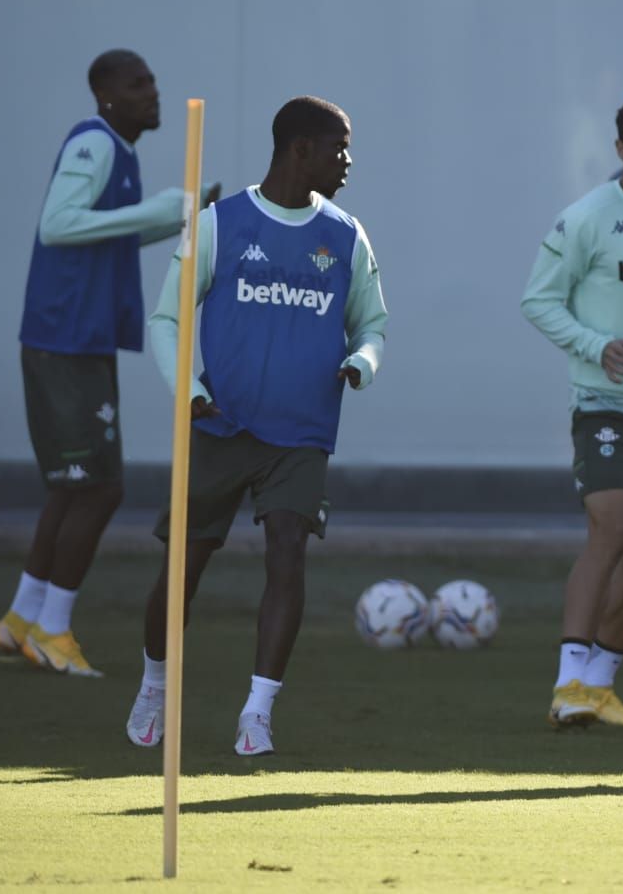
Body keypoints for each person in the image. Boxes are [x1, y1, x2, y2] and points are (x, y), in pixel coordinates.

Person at [125, 97, 387, 758]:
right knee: (182, 567)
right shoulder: (220, 224)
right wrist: (187, 391)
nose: (349, 162)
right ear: (300, 149)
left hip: (300, 434)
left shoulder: (348, 235)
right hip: (219, 426)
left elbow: (373, 325)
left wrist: (361, 362)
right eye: (340, 148)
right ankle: (155, 683)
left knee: (287, 554)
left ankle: (258, 711)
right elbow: (166, 319)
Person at [0, 50, 217, 677]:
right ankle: (54, 629)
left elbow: (109, 232)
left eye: (153, 81)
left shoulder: (122, 150)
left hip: (80, 340)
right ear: (105, 95)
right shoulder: (94, 143)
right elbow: (58, 226)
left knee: (73, 490)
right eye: (138, 84)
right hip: (64, 341)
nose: (153, 92)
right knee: (99, 489)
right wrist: (165, 209)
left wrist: (183, 216)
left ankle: (21, 619)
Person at [522, 95, 623, 729]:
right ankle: (567, 682)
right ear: (620, 149)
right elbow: (538, 301)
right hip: (603, 405)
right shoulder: (587, 217)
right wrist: (594, 346)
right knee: (613, 526)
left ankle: (599, 686)